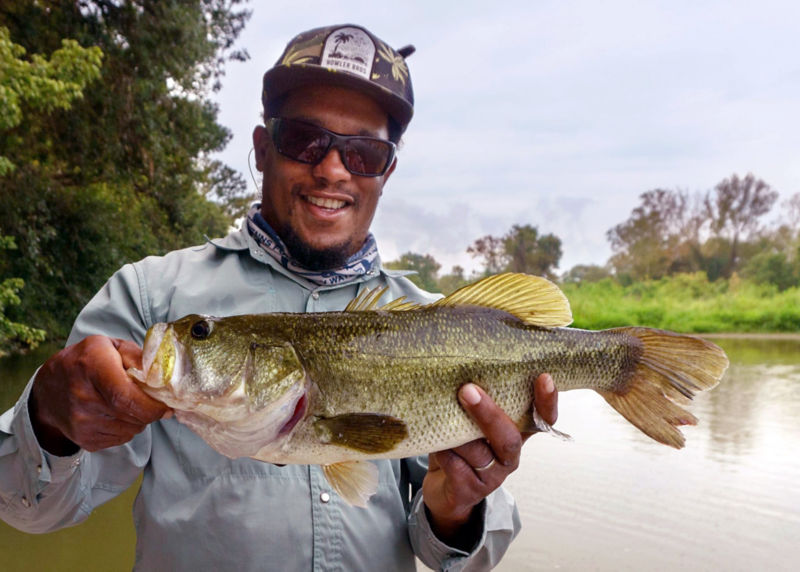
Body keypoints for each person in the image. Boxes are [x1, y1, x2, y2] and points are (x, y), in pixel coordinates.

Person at [0, 24, 558, 571]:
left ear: (385, 172)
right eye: (305, 140)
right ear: (264, 148)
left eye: (362, 152)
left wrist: (457, 509)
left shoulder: (441, 324)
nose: (332, 169)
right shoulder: (150, 297)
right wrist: (49, 420)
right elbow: (31, 512)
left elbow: (467, 558)